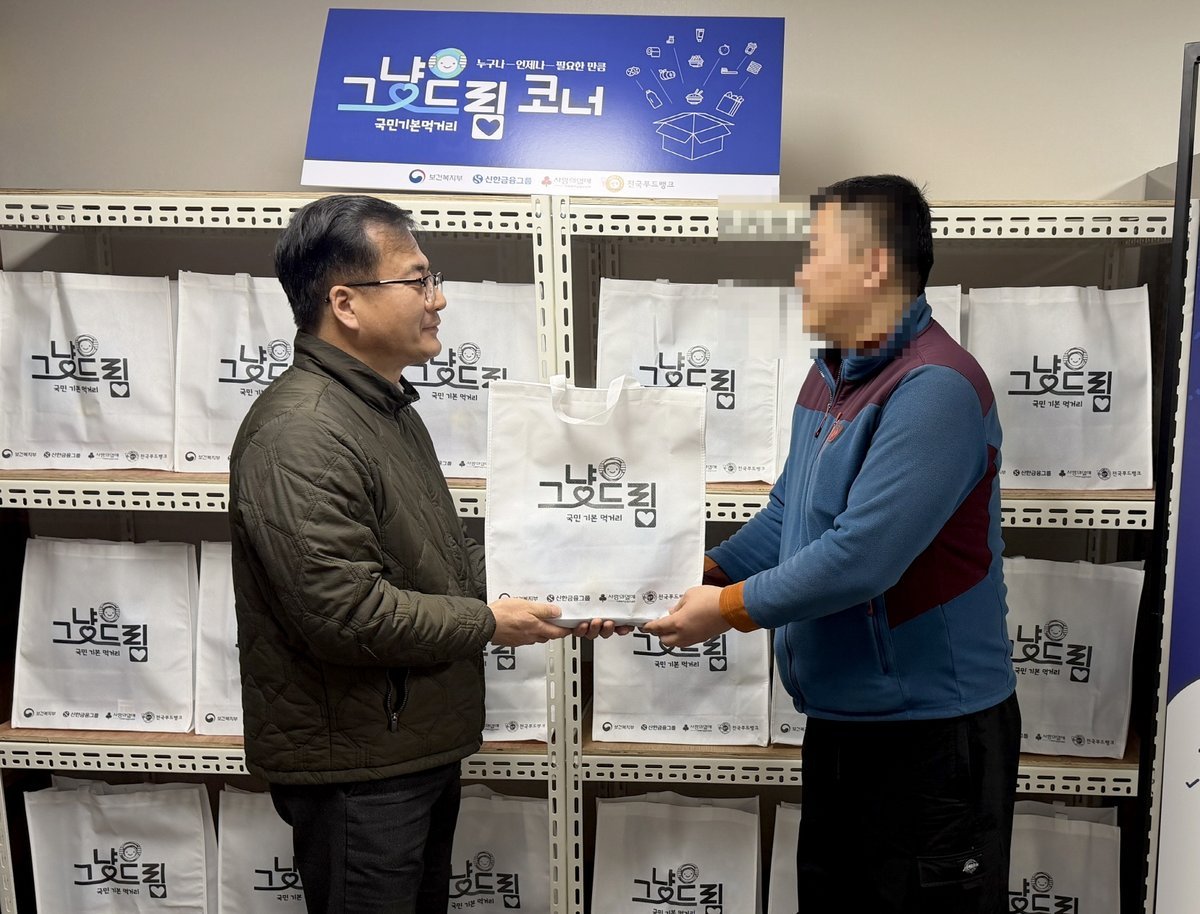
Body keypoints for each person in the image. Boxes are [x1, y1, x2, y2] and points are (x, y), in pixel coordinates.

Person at [229, 194, 618, 914]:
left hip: (403, 748)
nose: (438, 299)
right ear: (345, 303)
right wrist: (490, 624)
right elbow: (345, 614)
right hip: (358, 769)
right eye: (417, 280)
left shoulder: (379, 408)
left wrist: (575, 590)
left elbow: (440, 560)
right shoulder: (302, 431)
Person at [644, 175, 1020, 913]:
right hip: (846, 722)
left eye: (816, 253)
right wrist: (693, 574)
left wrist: (725, 609)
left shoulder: (935, 387)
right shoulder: (831, 378)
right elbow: (789, 516)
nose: (801, 274)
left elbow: (862, 558)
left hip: (930, 737)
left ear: (874, 265)